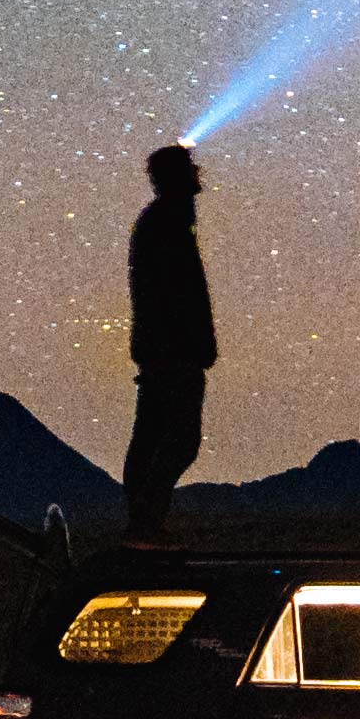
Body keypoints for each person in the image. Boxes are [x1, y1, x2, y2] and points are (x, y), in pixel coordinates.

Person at [120, 140, 215, 543]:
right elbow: (179, 290)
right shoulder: (167, 223)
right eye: (190, 167)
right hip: (174, 352)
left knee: (153, 436)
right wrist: (193, 340)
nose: (198, 172)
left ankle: (143, 523)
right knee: (178, 439)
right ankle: (145, 522)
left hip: (163, 350)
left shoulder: (161, 221)